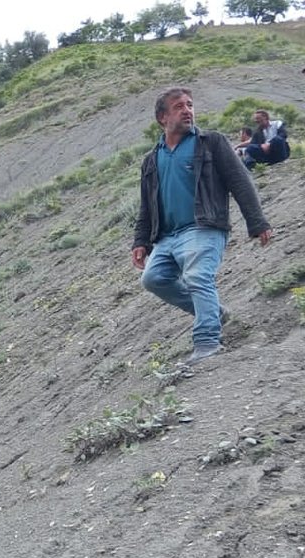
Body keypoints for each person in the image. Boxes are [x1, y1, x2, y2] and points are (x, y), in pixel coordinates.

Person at [133, 88, 272, 365]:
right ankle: (215, 312)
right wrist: (141, 241)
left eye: (190, 105)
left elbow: (240, 181)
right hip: (167, 236)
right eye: (178, 106)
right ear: (162, 117)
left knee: (197, 277)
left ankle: (207, 342)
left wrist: (257, 222)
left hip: (204, 227)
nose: (187, 110)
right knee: (153, 279)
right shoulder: (152, 158)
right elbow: (147, 205)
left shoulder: (211, 143)